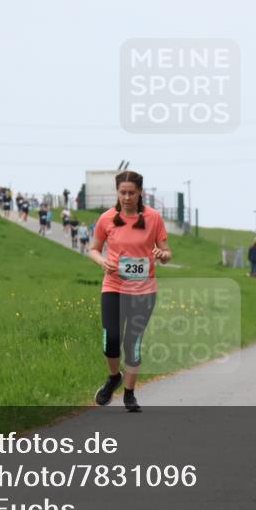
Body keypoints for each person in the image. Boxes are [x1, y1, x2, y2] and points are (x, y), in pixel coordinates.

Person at [88, 170, 171, 413]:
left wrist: (162, 254)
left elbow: (167, 252)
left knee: (132, 342)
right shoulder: (106, 218)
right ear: (117, 192)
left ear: (140, 193)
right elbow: (93, 249)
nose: (126, 197)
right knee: (111, 340)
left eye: (131, 193)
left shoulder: (153, 218)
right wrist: (102, 262)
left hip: (143, 290)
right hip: (113, 287)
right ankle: (114, 377)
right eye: (122, 192)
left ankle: (129, 393)